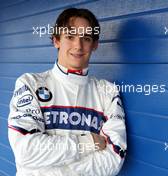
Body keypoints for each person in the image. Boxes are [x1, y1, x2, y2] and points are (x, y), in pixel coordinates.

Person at [8, 8, 127, 176]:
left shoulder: (108, 91)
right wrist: (89, 142)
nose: (78, 46)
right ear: (57, 40)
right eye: (70, 37)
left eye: (86, 38)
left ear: (94, 45)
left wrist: (53, 167)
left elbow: (115, 157)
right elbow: (25, 150)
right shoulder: (29, 84)